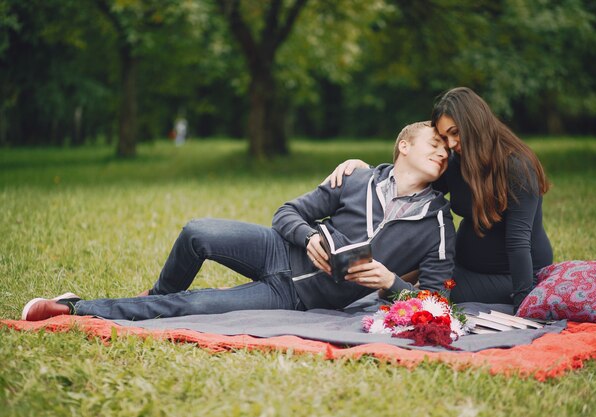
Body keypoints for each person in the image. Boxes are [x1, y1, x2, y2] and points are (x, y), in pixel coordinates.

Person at [22, 122, 455, 322]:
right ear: (403, 144)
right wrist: (306, 239)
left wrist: (388, 281)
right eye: (434, 143)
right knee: (197, 232)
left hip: (293, 297)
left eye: (446, 151)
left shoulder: (437, 223)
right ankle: (155, 299)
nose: (442, 152)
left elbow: (436, 303)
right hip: (278, 248)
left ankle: (73, 307)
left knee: (194, 307)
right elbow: (287, 212)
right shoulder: (356, 177)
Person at [326, 87, 553, 312]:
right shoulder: (457, 164)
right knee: (393, 277)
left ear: (475, 123)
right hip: (459, 264)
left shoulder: (517, 167)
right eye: (445, 137)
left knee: (432, 298)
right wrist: (367, 172)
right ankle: (332, 283)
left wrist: (525, 306)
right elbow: (410, 185)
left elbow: (518, 243)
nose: (451, 144)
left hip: (511, 274)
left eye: (455, 133)